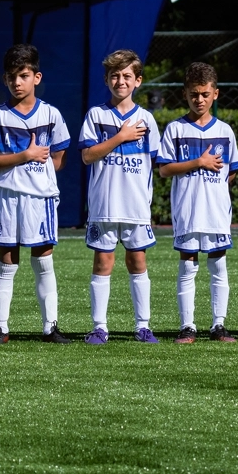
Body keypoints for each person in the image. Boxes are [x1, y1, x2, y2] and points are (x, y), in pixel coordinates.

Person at [0, 44, 72, 344]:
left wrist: (39, 176)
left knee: (43, 259)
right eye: (11, 77)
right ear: (4, 80)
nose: (17, 82)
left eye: (24, 75)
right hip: (7, 196)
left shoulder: (51, 114)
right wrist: (25, 156)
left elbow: (59, 156)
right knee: (7, 259)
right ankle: (1, 327)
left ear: (36, 77)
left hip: (39, 198)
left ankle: (50, 327)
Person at [78, 49, 162, 344]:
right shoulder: (96, 115)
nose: (120, 81)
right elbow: (88, 155)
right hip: (104, 206)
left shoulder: (147, 119)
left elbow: (153, 164)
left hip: (135, 206)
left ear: (138, 81)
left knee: (137, 262)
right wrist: (119, 137)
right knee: (103, 263)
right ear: (106, 80)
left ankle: (143, 325)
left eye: (127, 76)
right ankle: (99, 326)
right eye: (115, 75)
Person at [158, 62, 238, 344]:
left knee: (218, 265)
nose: (200, 100)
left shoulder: (225, 131)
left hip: (215, 211)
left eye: (205, 94)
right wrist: (198, 163)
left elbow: (232, 172)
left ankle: (219, 325)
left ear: (215, 94)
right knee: (188, 265)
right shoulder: (175, 130)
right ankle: (188, 326)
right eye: (194, 94)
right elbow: (164, 169)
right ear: (185, 94)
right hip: (188, 210)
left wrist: (214, 192)